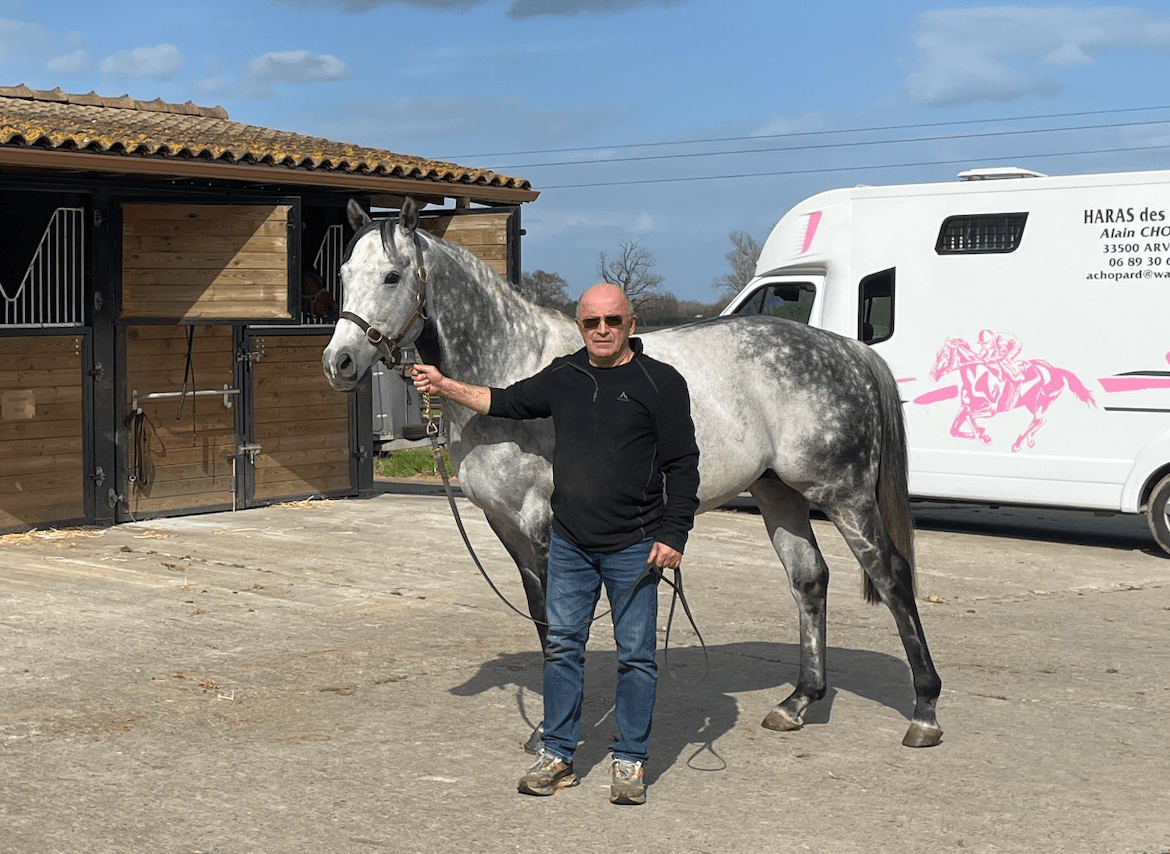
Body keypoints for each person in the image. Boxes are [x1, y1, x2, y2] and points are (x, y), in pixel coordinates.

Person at [411, 282, 700, 806]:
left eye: (613, 321)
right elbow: (502, 400)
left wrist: (674, 533)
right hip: (570, 545)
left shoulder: (661, 383)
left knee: (636, 656)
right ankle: (559, 755)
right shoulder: (564, 376)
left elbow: (683, 464)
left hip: (634, 546)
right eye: (592, 323)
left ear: (631, 324)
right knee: (563, 647)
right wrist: (443, 385)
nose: (603, 331)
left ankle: (630, 760)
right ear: (579, 326)